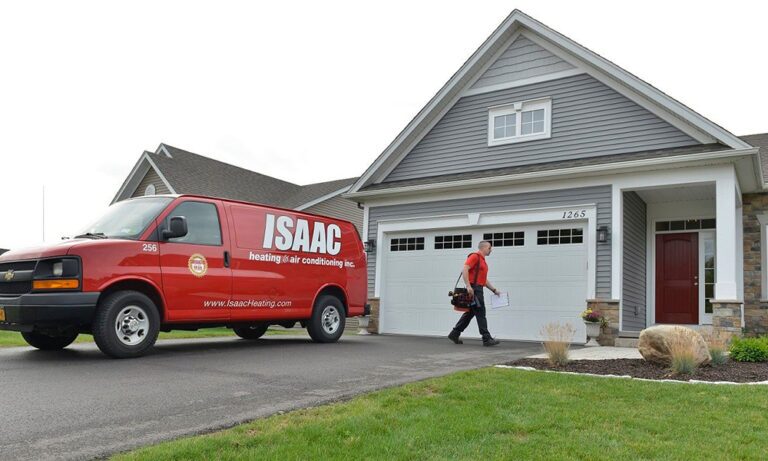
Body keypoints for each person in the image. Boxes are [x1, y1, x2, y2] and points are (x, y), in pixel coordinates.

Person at [448, 240, 500, 346]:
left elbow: (484, 280)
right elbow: (465, 269)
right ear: (483, 248)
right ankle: (486, 338)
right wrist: (468, 286)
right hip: (474, 289)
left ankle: (454, 333)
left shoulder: (483, 261)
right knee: (481, 313)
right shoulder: (475, 256)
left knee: (470, 313)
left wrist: (494, 290)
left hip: (478, 288)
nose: (491, 250)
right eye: (489, 248)